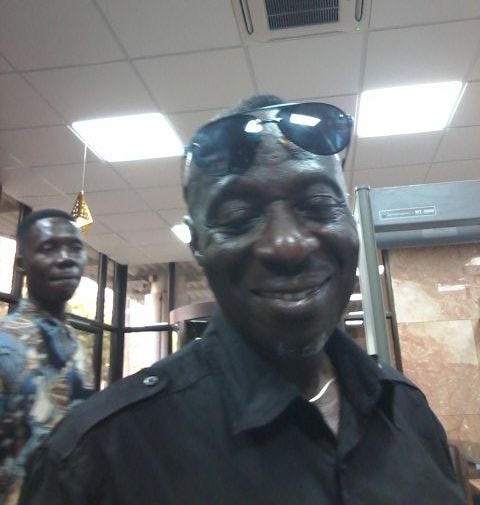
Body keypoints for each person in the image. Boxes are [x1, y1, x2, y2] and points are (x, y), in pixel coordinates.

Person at [19, 97, 465, 504]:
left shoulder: (406, 411)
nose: (288, 245)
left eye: (317, 204)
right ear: (197, 245)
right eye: (238, 217)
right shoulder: (101, 460)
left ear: (348, 219)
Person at [0, 209, 94, 504]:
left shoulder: (76, 346)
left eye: (75, 248)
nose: (66, 258)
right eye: (49, 248)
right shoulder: (5, 344)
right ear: (22, 264)